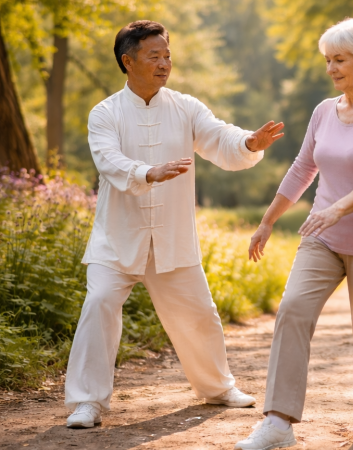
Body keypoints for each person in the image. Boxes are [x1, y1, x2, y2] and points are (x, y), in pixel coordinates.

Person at [64, 20, 285, 429]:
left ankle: (218, 388)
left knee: (199, 314)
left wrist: (248, 143)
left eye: (167, 55)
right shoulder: (105, 113)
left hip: (172, 236)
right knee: (99, 305)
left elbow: (219, 137)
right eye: (155, 56)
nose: (165, 63)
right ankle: (87, 403)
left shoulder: (186, 107)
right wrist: (148, 172)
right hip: (116, 239)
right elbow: (108, 160)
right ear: (128, 61)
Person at [234, 18, 353, 450]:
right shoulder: (323, 111)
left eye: (340, 60)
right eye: (328, 60)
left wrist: (337, 208)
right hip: (324, 237)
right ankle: (278, 422)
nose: (331, 68)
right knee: (293, 309)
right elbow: (303, 168)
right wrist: (268, 220)